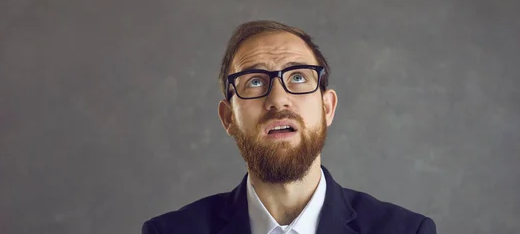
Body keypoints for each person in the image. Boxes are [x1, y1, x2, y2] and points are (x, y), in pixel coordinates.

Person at [142, 20, 437, 234]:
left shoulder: (408, 231)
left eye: (298, 77)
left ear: (327, 107)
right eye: (255, 82)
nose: (278, 100)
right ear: (228, 118)